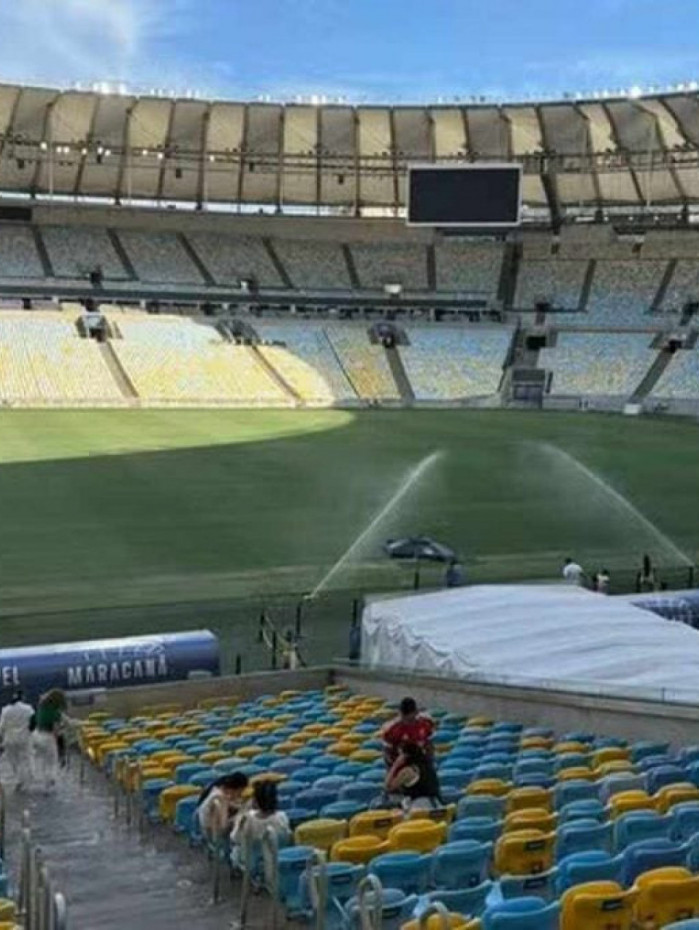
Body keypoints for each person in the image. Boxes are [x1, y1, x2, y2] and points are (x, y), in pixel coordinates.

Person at [230, 781, 289, 864]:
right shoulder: (282, 817)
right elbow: (286, 838)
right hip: (277, 859)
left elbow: (235, 838)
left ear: (255, 800)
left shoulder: (246, 819)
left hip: (252, 864)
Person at [32, 689, 74, 792]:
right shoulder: (55, 713)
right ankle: (50, 783)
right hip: (47, 738)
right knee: (52, 761)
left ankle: (44, 782)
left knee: (43, 761)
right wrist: (61, 733)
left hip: (36, 736)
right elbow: (56, 730)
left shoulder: (41, 707)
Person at [385, 741, 443, 812]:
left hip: (419, 808)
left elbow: (388, 787)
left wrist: (395, 765)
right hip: (436, 804)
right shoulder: (429, 766)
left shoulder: (408, 771)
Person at [381, 697, 435, 766]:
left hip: (420, 755)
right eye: (405, 720)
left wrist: (429, 761)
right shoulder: (392, 729)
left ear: (416, 712)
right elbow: (387, 751)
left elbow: (429, 744)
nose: (408, 723)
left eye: (411, 720)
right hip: (399, 758)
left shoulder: (425, 723)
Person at [197, 772, 250, 838]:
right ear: (236, 789)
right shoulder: (219, 800)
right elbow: (222, 828)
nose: (239, 795)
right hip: (212, 835)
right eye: (240, 792)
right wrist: (236, 819)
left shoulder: (216, 791)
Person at [0, 690, 35, 790]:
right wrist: (30, 731)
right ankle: (28, 777)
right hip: (24, 738)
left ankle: (19, 779)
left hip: (9, 739)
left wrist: (1, 738)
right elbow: (33, 722)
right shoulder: (28, 708)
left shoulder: (5, 710)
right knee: (26, 758)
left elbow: (1, 726)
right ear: (22, 698)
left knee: (14, 760)